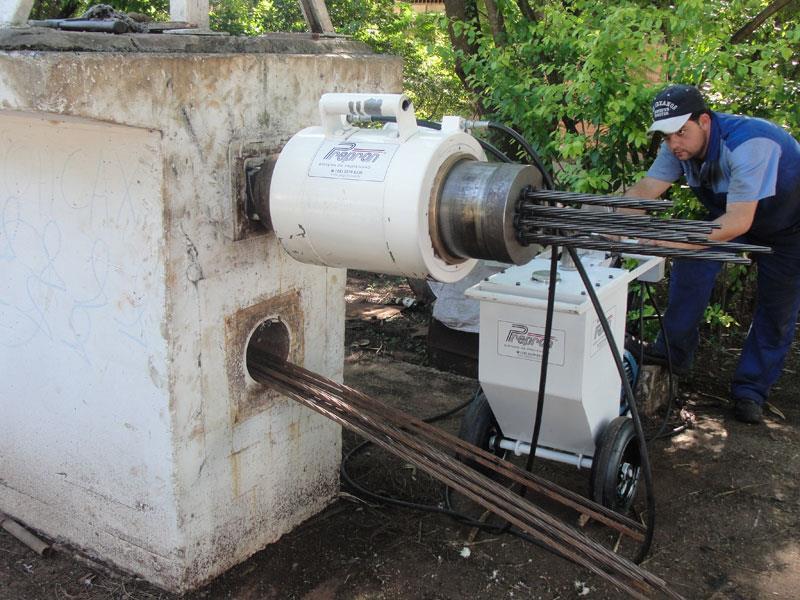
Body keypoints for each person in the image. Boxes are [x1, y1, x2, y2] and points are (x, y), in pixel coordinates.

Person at [625, 84, 800, 424]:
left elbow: (737, 221)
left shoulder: (749, 145)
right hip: (738, 214)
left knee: (776, 310)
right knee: (695, 261)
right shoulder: (677, 147)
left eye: (680, 133)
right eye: (665, 136)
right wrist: (608, 220)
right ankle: (673, 353)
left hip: (790, 226)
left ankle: (751, 390)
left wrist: (672, 243)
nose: (673, 143)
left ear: (704, 121)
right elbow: (645, 192)